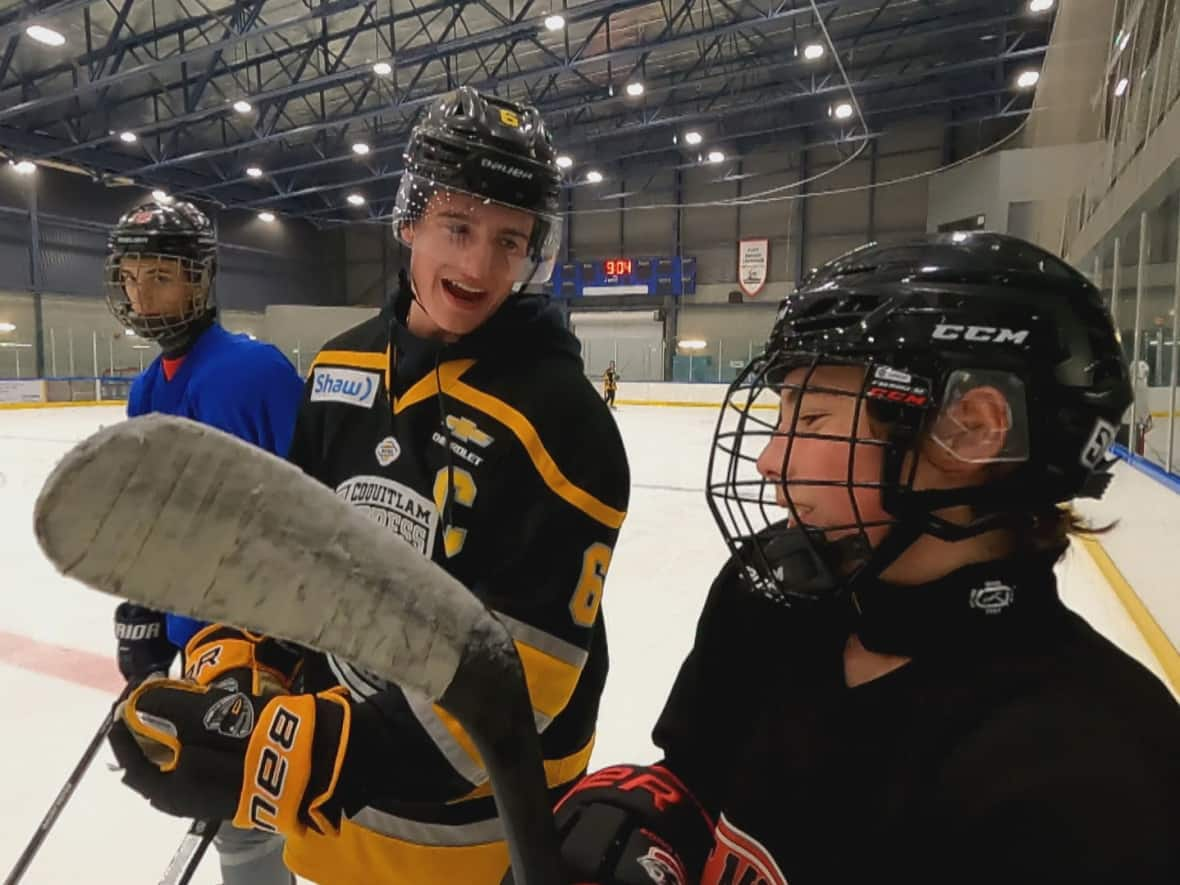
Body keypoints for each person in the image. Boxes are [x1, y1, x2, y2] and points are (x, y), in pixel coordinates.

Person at [107, 87, 630, 884]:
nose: (480, 265)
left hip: (482, 841)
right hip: (343, 825)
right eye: (458, 227)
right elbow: (296, 566)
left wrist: (312, 751)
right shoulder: (341, 367)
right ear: (410, 219)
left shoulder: (565, 425)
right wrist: (239, 665)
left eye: (509, 239)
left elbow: (517, 687)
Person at [551, 233, 1180, 885]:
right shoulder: (769, 597)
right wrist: (649, 818)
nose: (769, 459)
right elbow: (699, 776)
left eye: (813, 419)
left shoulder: (1095, 773)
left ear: (970, 429)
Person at [104, 198, 305, 885]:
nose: (143, 293)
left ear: (200, 279)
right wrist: (143, 604)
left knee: (249, 818)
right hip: (200, 637)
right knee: (220, 809)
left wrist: (291, 632)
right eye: (131, 277)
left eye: (161, 275)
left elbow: (315, 505)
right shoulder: (143, 387)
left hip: (268, 638)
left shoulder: (254, 373)